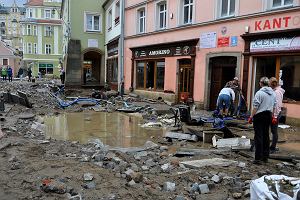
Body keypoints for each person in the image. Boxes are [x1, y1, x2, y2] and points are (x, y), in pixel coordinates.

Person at [248, 77, 276, 165]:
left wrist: (251, 116)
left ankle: (258, 158)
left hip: (259, 116)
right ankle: (265, 157)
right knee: (266, 136)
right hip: (268, 115)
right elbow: (274, 105)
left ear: (261, 83)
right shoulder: (273, 93)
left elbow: (255, 106)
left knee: (258, 136)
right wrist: (273, 116)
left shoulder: (259, 93)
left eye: (259, 82)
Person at [269, 77, 285, 153]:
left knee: (274, 131)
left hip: (276, 113)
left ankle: (273, 147)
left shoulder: (277, 92)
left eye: (269, 84)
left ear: (272, 84)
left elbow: (277, 105)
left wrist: (275, 116)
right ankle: (272, 146)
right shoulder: (275, 91)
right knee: (273, 130)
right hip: (275, 113)